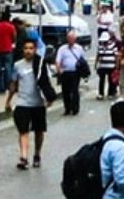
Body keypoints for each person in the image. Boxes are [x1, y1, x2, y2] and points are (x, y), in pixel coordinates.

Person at [6, 36, 56, 171]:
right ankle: (23, 157)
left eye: (31, 48)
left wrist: (49, 97)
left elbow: (46, 82)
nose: (28, 51)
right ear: (22, 50)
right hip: (22, 103)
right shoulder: (17, 65)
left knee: (39, 131)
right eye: (26, 48)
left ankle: (37, 154)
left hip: (38, 104)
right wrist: (8, 100)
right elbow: (13, 84)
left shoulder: (40, 64)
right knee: (23, 131)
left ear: (35, 50)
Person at [57, 33, 88, 117]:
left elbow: (83, 59)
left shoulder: (79, 48)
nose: (71, 40)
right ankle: (67, 108)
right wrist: (59, 69)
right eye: (69, 39)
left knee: (74, 90)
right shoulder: (62, 49)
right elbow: (58, 60)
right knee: (65, 91)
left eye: (72, 39)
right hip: (65, 72)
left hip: (75, 72)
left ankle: (75, 108)